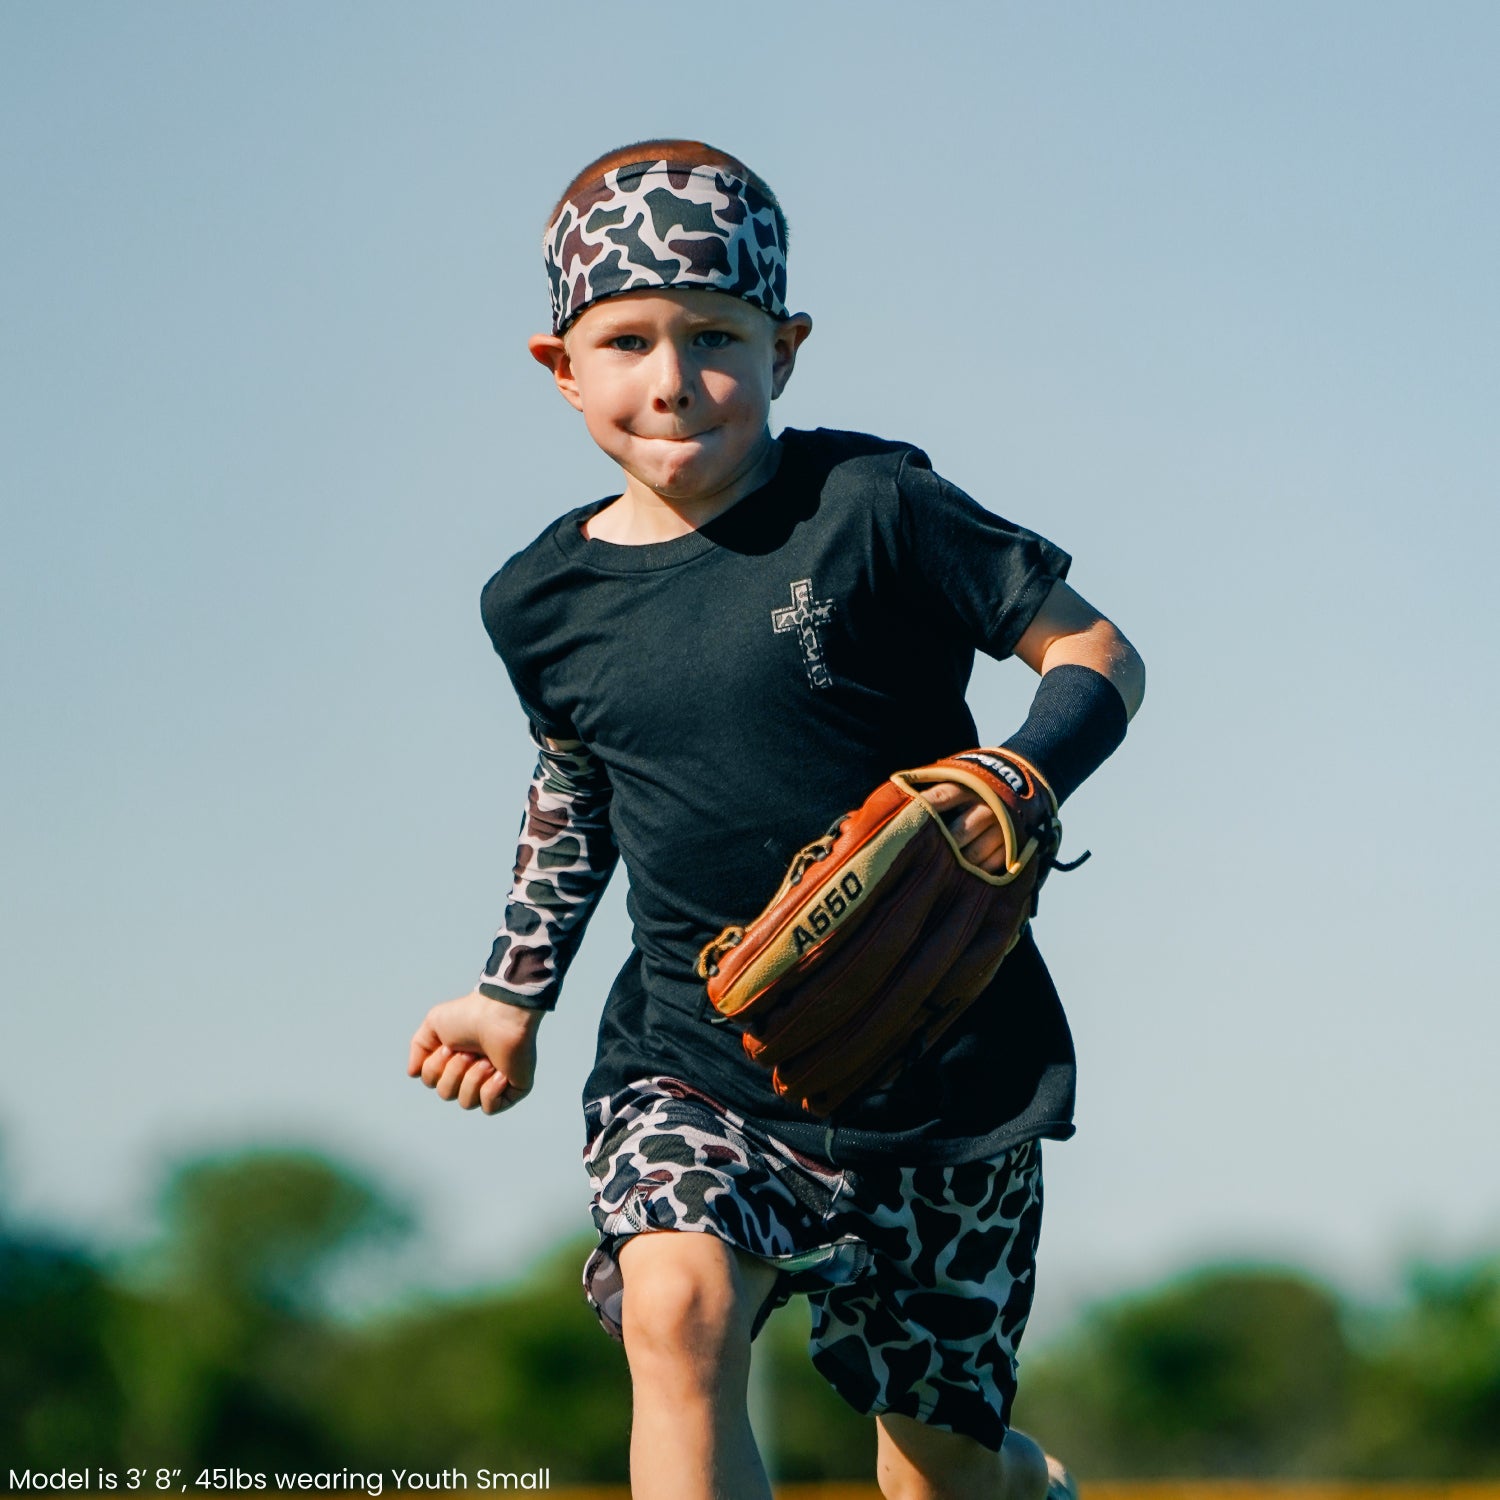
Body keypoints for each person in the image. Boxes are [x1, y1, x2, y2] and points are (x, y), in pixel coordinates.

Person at [408, 139, 1144, 1500]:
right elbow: (575, 787)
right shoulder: (540, 605)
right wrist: (512, 992)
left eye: (716, 337)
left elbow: (1096, 653)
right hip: (701, 1058)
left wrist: (1027, 778)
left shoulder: (876, 511)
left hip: (943, 1068)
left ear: (787, 349)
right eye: (625, 340)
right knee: (673, 1312)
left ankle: (1015, 1484)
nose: (672, 378)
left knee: (938, 1472)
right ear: (558, 366)